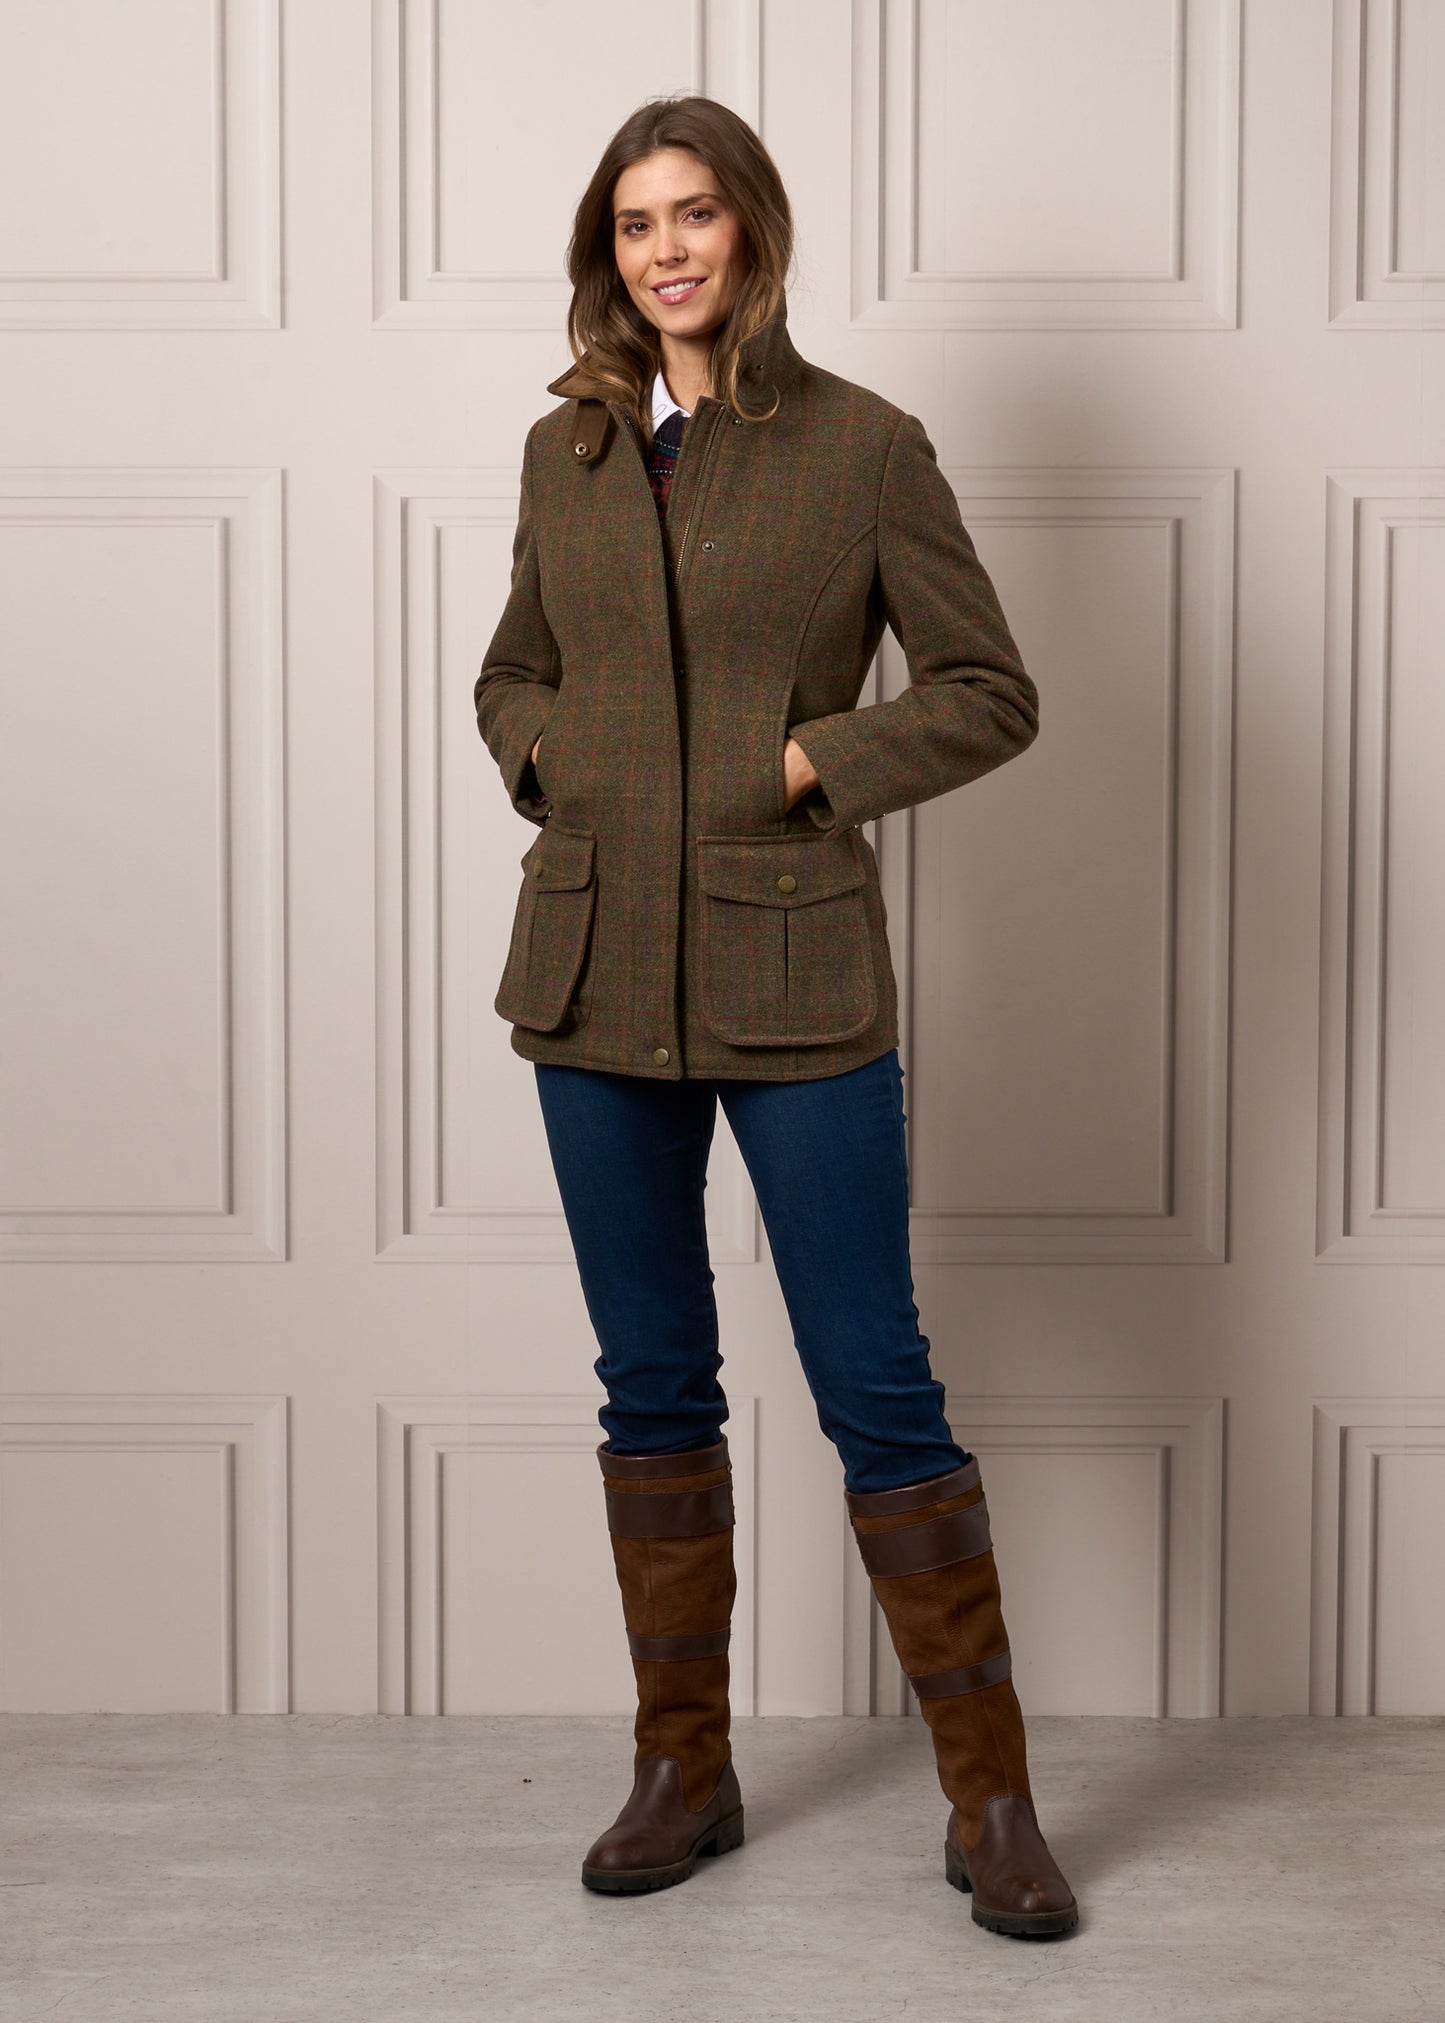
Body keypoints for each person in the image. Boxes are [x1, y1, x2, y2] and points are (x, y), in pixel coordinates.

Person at [473, 94, 1078, 1940]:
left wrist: (808, 759)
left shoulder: (862, 448)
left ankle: (989, 1803)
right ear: (608, 252)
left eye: (694, 215)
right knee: (650, 1379)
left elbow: (987, 689)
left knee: (874, 1383)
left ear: (752, 230)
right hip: (591, 977)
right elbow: (513, 671)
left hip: (795, 974)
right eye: (633, 223)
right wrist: (550, 755)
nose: (664, 250)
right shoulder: (565, 450)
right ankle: (685, 1770)